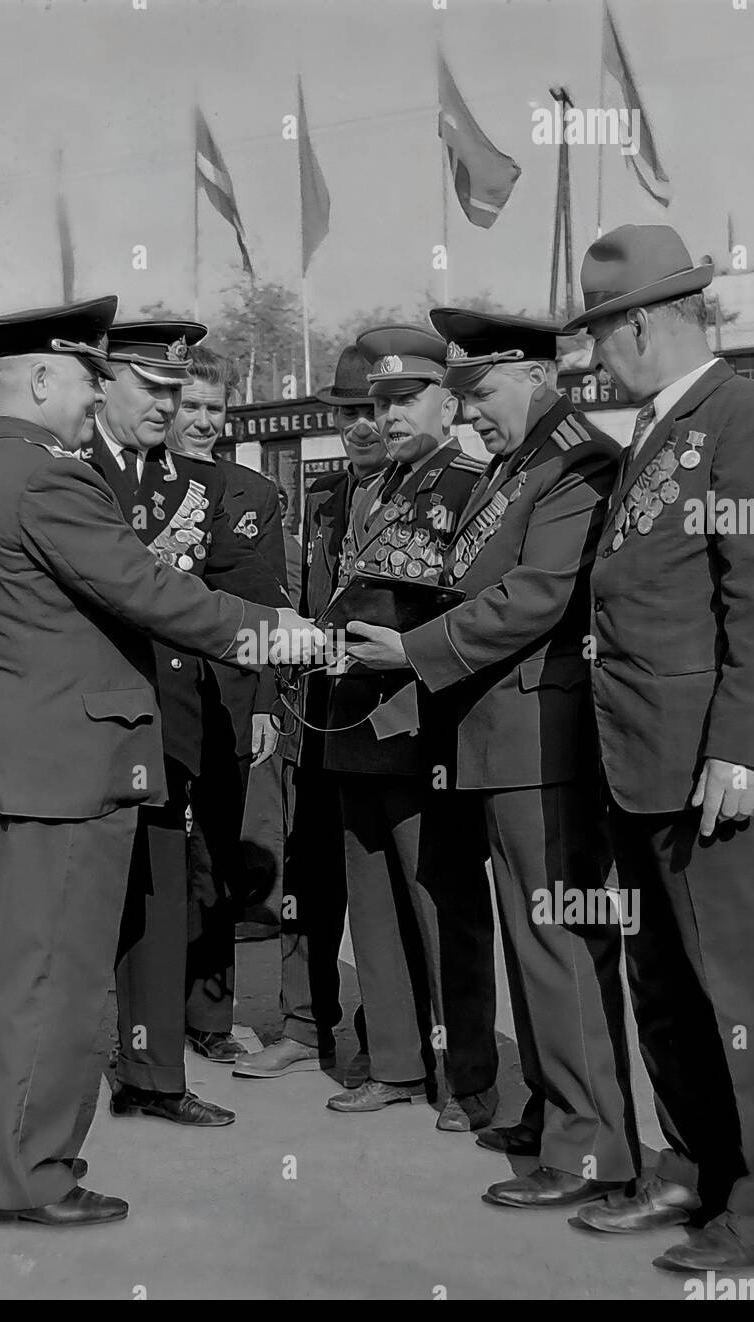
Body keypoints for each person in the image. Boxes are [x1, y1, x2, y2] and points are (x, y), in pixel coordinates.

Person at [0, 296, 319, 1228]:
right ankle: (35, 1175)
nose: (99, 399)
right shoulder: (51, 480)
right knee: (58, 983)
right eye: (94, 380)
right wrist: (275, 636)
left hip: (5, 763)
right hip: (71, 770)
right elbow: (146, 591)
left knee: (8, 983)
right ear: (45, 378)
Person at [562, 224, 754, 1273]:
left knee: (749, 995)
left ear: (637, 324)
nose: (590, 356)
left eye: (597, 333)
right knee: (666, 987)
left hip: (717, 769)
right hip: (644, 764)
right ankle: (692, 1167)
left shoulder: (743, 419)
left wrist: (745, 748)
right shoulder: (660, 435)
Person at [348, 309, 640, 1208]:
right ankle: (558, 1117)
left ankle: (591, 1150)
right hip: (493, 736)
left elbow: (534, 595)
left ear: (534, 377)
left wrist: (413, 652)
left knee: (559, 942)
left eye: (480, 397)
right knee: (529, 945)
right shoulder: (518, 462)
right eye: (463, 401)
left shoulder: (574, 460)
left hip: (538, 742)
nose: (471, 417)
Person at [86, 320, 287, 1125]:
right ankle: (138, 1065)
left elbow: (257, 600)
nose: (182, 412)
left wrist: (270, 689)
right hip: (114, 720)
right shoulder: (90, 476)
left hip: (190, 713)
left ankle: (156, 1067)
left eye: (196, 398)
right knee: (131, 896)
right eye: (166, 393)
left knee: (184, 887)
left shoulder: (206, 492)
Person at [318, 325, 496, 1127]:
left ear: (448, 401)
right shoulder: (373, 488)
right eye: (376, 401)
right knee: (374, 903)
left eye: (403, 398)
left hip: (424, 726)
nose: (386, 415)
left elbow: (476, 612)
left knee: (440, 902)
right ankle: (393, 1060)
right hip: (354, 723)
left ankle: (468, 1076)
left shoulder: (472, 484)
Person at [233, 345, 385, 1081]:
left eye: (376, 411)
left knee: (393, 891)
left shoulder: (439, 493)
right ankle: (304, 1023)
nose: (362, 426)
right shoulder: (321, 498)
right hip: (315, 722)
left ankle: (399, 1039)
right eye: (350, 412)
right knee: (307, 882)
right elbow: (284, 607)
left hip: (393, 726)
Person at [164, 345, 288, 1057]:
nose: (203, 421)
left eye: (215, 408)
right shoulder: (135, 487)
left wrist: (267, 701)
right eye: (191, 408)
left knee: (215, 857)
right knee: (151, 856)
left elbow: (270, 604)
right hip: (154, 696)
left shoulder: (255, 494)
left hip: (229, 698)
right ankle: (145, 1013)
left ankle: (209, 1020)